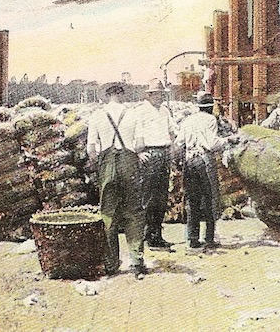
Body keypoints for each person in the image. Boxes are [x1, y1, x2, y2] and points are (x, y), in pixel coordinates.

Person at [86, 82, 147, 275]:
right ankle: (137, 262)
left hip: (107, 164)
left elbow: (91, 149)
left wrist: (102, 164)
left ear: (106, 95)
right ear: (121, 94)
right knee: (134, 212)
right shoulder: (133, 113)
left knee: (108, 214)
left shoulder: (97, 115)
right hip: (128, 162)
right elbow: (140, 144)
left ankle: (111, 264)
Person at [175, 92, 237, 249]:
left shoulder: (188, 120)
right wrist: (228, 140)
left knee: (192, 201)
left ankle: (192, 238)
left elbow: (179, 142)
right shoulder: (210, 120)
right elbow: (212, 144)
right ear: (210, 107)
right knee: (210, 199)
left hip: (189, 160)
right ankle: (209, 238)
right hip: (204, 160)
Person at [134, 79, 176, 249]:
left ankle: (157, 235)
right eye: (157, 94)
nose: (160, 97)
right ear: (149, 95)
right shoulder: (140, 112)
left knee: (161, 197)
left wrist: (172, 149)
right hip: (149, 154)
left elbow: (172, 131)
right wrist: (139, 152)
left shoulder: (165, 111)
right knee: (148, 197)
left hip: (163, 153)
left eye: (161, 94)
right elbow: (135, 134)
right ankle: (146, 235)